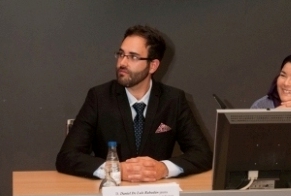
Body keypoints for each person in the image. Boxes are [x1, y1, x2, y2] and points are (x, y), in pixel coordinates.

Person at [56, 25, 211, 182]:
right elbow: (67, 156)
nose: (122, 63)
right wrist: (115, 169)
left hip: (157, 191)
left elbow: (202, 154)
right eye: (121, 54)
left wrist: (164, 168)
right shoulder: (99, 97)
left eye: (133, 57)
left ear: (153, 65)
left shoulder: (173, 100)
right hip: (111, 190)